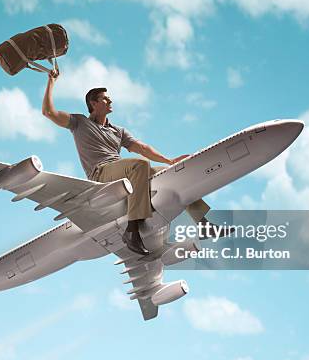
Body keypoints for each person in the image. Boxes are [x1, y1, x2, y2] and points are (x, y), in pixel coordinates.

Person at [42, 70, 196, 255]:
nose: (110, 101)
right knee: (139, 166)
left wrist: (169, 161)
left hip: (123, 171)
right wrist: (51, 81)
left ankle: (202, 222)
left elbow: (142, 148)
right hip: (101, 173)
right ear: (93, 103)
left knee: (175, 175)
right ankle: (132, 231)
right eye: (105, 99)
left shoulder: (118, 130)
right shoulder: (79, 122)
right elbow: (48, 112)